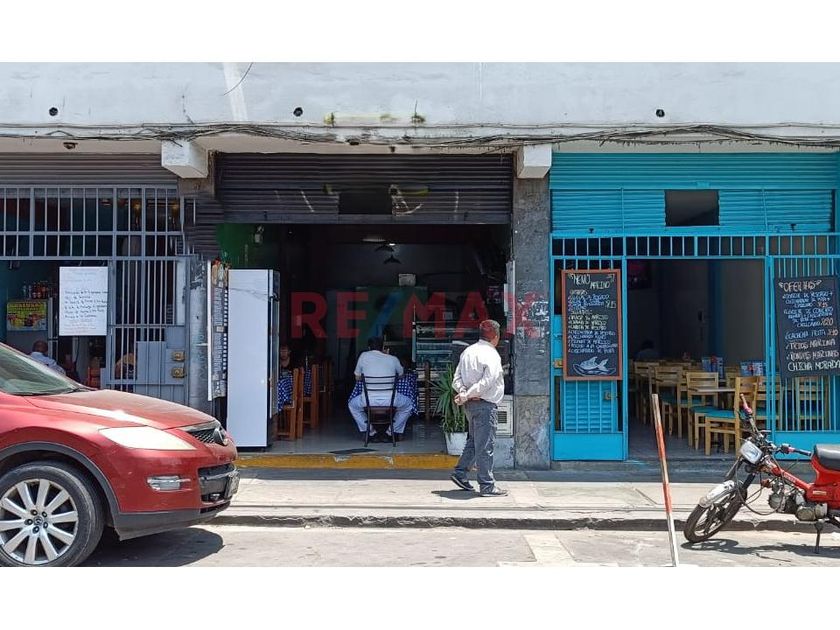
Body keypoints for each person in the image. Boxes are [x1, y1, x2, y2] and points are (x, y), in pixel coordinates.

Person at [449, 319, 507, 497]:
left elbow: (456, 378)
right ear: (495, 336)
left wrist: (464, 393)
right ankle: (487, 486)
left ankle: (460, 472)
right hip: (485, 405)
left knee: (474, 441)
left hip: (470, 405)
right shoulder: (491, 354)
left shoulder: (468, 351)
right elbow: (487, 382)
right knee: (485, 445)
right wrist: (467, 394)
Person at [348, 337, 413, 442]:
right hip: (390, 400)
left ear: (369, 348)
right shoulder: (393, 359)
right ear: (383, 347)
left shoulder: (363, 356)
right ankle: (391, 432)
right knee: (408, 405)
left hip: (368, 400)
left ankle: (370, 432)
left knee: (352, 405)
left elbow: (357, 377)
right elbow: (401, 375)